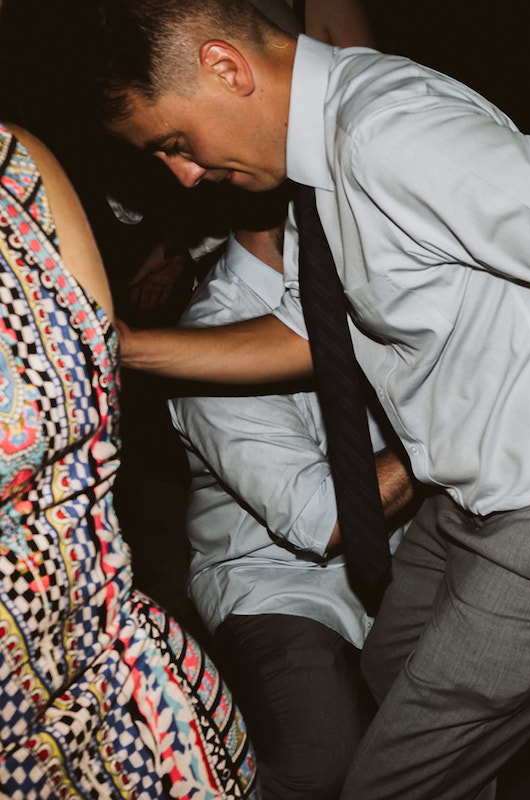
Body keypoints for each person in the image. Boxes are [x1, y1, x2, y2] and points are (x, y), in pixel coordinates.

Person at [78, 1, 530, 797]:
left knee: (385, 783)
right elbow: (311, 332)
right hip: (472, 492)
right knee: (391, 665)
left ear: (225, 67)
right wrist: (125, 345)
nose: (184, 176)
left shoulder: (385, 131)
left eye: (175, 144)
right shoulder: (323, 149)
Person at [0, 122, 258, 796]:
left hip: (133, 678)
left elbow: (96, 434)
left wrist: (170, 254)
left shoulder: (18, 161)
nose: (184, 168)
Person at [168, 216, 412, 800]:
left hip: (405, 539)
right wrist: (443, 433)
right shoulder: (214, 335)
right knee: (321, 759)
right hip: (274, 576)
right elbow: (324, 517)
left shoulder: (375, 272)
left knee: (481, 708)